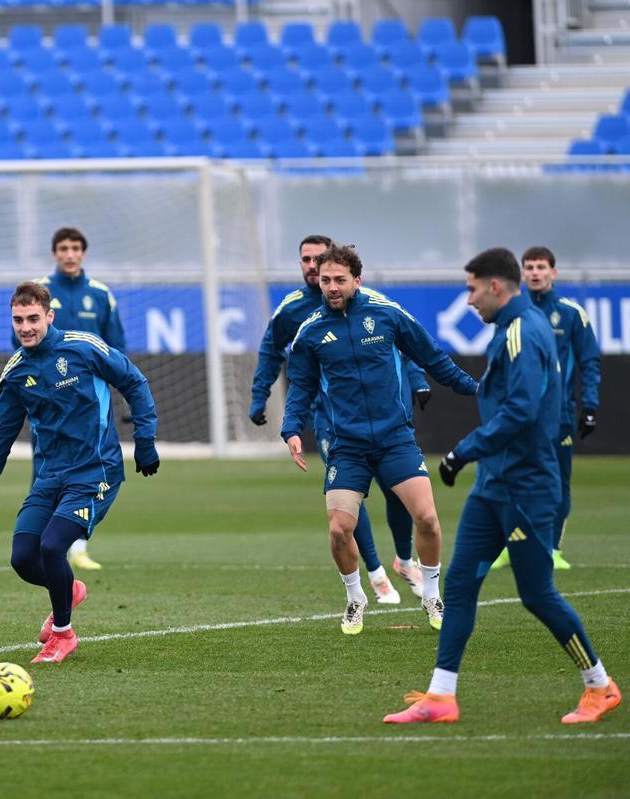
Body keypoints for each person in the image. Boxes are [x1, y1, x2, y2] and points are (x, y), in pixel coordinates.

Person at [386, 247, 619, 724]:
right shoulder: (511, 330)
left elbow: (522, 411)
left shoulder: (523, 332)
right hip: (495, 483)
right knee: (460, 582)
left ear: (495, 286)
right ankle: (441, 696)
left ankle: (600, 685)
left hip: (527, 485)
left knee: (537, 594)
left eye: (472, 288)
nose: (468, 299)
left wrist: (462, 451)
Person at [0, 281, 158, 664]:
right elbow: (0, 437)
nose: (25, 327)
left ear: (49, 316)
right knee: (23, 558)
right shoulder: (15, 374)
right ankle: (69, 590)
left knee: (52, 546)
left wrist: (145, 441)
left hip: (97, 471)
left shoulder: (83, 347)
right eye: (17, 320)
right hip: (50, 476)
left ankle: (63, 633)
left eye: (32, 319)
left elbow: (134, 381)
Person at [281, 244, 479, 635]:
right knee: (339, 530)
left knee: (427, 518)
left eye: (340, 279)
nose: (333, 287)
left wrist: (477, 388)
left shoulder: (387, 313)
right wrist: (291, 430)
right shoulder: (310, 332)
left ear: (358, 279)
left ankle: (432, 594)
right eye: (326, 281)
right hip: (346, 447)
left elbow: (433, 358)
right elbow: (300, 387)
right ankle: (356, 598)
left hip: (394, 440)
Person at [250, 235, 428, 607]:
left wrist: (419, 381)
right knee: (349, 500)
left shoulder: (373, 306)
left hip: (384, 417)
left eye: (319, 260)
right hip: (332, 420)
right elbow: (270, 351)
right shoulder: (293, 310)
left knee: (397, 490)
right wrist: (259, 395)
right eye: (305, 260)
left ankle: (404, 558)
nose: (313, 267)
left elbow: (404, 344)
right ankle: (376, 574)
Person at [18, 227, 127, 572]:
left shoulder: (100, 295)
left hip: (91, 403)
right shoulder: (38, 292)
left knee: (91, 467)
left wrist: (121, 396)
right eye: (63, 248)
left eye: (75, 248)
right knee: (46, 467)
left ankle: (76, 544)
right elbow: (21, 343)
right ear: (54, 253)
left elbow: (117, 348)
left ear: (83, 253)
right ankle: (47, 537)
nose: (69, 254)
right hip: (49, 399)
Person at [490, 246, 600, 572]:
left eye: (541, 267)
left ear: (554, 272)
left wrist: (590, 405)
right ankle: (512, 545)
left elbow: (589, 362)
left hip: (559, 415)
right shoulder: (511, 312)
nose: (535, 273)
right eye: (529, 267)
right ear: (522, 274)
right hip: (518, 414)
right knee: (509, 478)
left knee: (556, 483)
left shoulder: (570, 314)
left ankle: (552, 548)